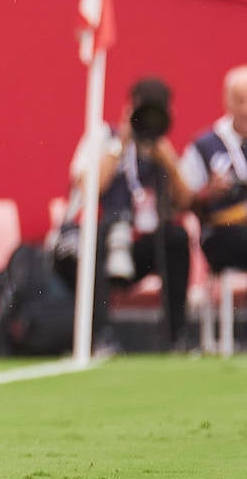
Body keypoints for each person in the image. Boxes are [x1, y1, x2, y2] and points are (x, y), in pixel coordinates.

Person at [56, 77, 192, 351]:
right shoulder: (103, 137)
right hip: (89, 243)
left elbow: (185, 202)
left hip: (135, 245)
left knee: (176, 238)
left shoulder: (159, 151)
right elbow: (89, 188)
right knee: (97, 239)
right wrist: (121, 143)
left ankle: (177, 336)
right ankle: (101, 335)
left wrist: (170, 164)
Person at [180, 66, 247, 287]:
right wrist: (209, 193)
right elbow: (181, 200)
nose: (246, 109)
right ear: (227, 101)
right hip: (222, 232)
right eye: (240, 101)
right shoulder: (205, 144)